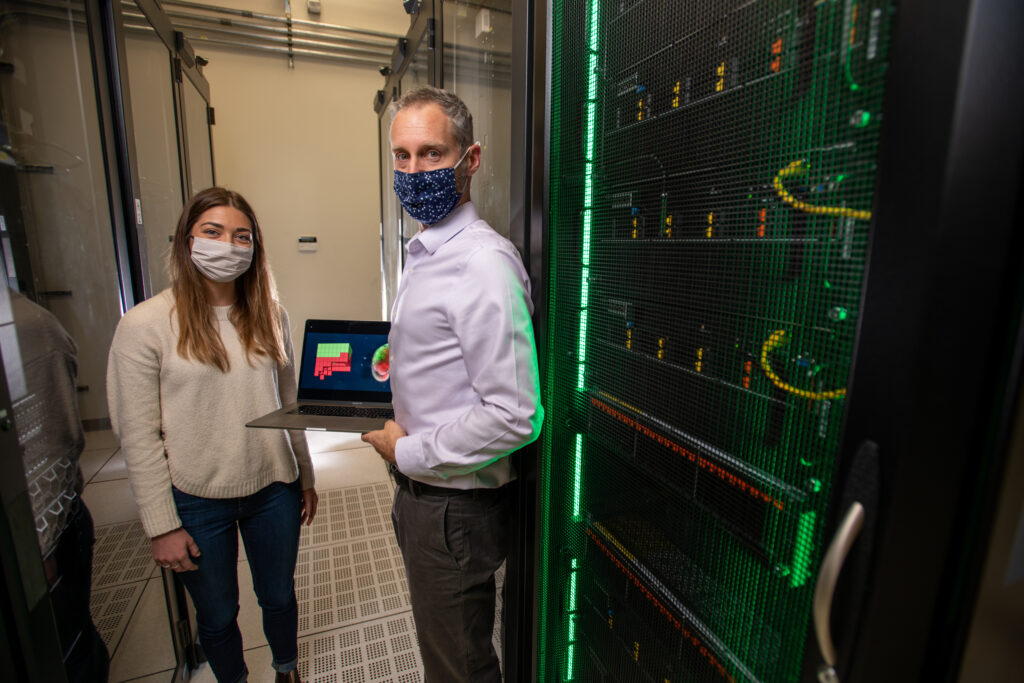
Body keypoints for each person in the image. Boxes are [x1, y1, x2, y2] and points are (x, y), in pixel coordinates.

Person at [361, 86, 544, 682]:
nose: (414, 170)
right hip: (428, 496)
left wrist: (404, 450)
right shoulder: (426, 252)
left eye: (432, 154)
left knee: (458, 668)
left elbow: (516, 414)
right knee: (447, 654)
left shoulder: (481, 263)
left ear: (472, 158)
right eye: (402, 156)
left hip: (453, 507)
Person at [106, 187, 317, 683]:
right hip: (197, 498)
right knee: (219, 615)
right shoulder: (145, 325)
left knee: (279, 595)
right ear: (187, 240)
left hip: (273, 488)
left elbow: (290, 403)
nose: (228, 245)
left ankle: (286, 670)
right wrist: (161, 524)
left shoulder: (271, 313)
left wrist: (304, 474)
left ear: (254, 247)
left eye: (241, 236)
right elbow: (137, 436)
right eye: (213, 232)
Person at [7, 288, 110, 682]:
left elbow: (50, 446)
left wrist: (41, 545)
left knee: (69, 654)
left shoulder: (27, 326)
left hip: (38, 534)